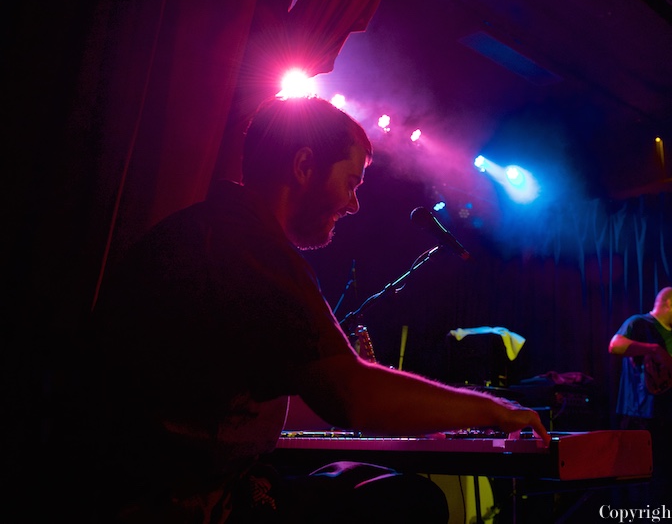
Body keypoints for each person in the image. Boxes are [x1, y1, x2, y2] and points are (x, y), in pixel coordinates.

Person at [81, 95, 549, 523]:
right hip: (182, 503)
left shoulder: (200, 229)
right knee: (410, 500)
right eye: (351, 182)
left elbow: (254, 399)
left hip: (132, 484)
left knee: (355, 479)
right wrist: (492, 411)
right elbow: (350, 397)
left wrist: (400, 404)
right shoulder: (257, 252)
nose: (354, 204)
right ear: (304, 165)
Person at [609, 287, 672, 508]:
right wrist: (653, 349)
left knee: (670, 480)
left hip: (668, 416)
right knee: (641, 484)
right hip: (640, 416)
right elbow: (615, 345)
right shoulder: (639, 323)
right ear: (669, 304)